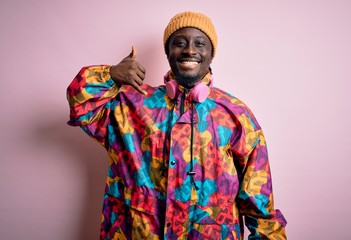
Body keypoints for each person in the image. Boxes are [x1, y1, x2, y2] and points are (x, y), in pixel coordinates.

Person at [67, 11, 287, 240]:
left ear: (211, 55)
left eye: (200, 43)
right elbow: (80, 106)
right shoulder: (131, 105)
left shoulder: (235, 115)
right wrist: (110, 75)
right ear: (167, 52)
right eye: (179, 43)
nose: (190, 50)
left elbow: (260, 204)